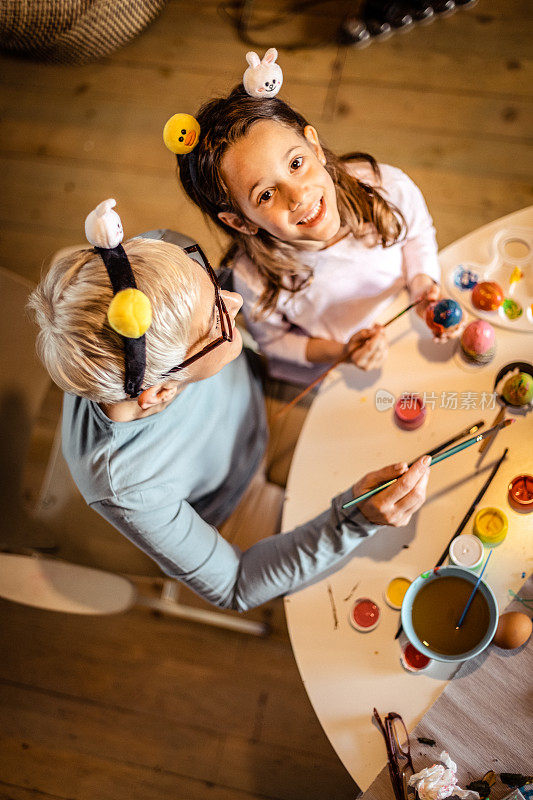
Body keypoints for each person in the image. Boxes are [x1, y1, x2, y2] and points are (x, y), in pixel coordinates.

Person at [27, 209, 431, 611]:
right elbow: (236, 584)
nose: (235, 300)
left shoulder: (158, 260)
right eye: (217, 320)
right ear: (159, 392)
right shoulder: (124, 484)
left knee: (403, 450)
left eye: (211, 284)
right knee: (390, 563)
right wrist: (353, 520)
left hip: (264, 398)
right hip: (234, 504)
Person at [173, 84, 451, 386]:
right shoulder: (254, 278)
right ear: (240, 222)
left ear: (314, 148)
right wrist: (342, 351)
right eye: (266, 195)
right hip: (345, 370)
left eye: (295, 164)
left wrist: (422, 281)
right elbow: (276, 342)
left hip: (412, 321)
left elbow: (418, 234)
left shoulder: (388, 189)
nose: (297, 197)